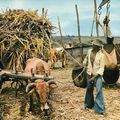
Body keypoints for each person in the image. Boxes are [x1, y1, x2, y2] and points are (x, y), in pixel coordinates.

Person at [83, 39, 105, 115]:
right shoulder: (89, 51)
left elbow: (102, 68)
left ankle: (99, 110)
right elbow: (86, 58)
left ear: (98, 47)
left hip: (97, 76)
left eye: (94, 44)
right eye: (93, 44)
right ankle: (88, 105)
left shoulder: (101, 55)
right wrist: (84, 63)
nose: (92, 45)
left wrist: (94, 77)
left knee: (99, 91)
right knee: (89, 89)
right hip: (89, 73)